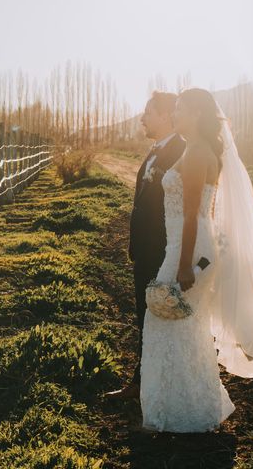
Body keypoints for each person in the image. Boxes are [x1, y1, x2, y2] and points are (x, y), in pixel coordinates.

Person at [139, 88, 253, 432]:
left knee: (165, 319)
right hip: (188, 246)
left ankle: (178, 413)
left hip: (191, 249)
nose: (176, 115)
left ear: (197, 114)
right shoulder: (195, 149)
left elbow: (192, 215)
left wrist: (183, 264)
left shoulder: (197, 153)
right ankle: (192, 409)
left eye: (180, 110)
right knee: (186, 327)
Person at [105, 91, 185, 400]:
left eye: (148, 113)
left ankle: (148, 386)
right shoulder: (157, 150)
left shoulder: (180, 150)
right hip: (147, 251)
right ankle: (145, 383)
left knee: (159, 319)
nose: (142, 119)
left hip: (163, 251)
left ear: (166, 116)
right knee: (146, 318)